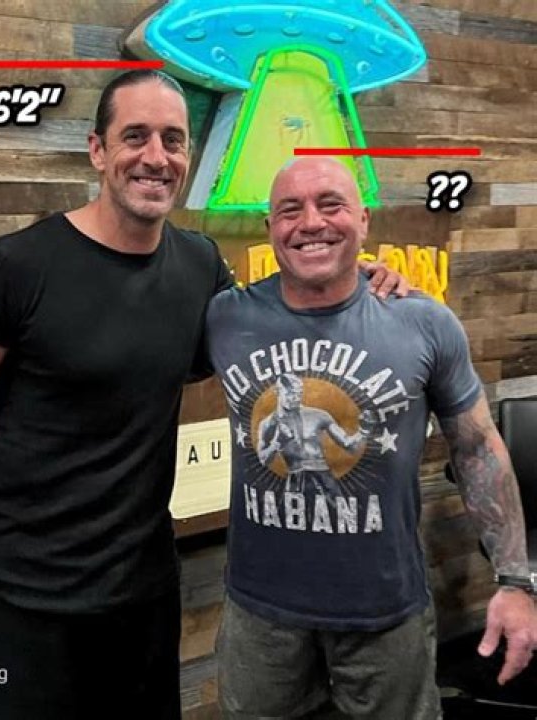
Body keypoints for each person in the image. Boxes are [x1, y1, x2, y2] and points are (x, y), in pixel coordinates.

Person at [0, 71, 405, 720]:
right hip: (25, 596)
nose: (156, 156)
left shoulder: (199, 266)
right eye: (134, 136)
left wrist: (352, 277)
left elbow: (274, 324)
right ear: (97, 150)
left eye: (173, 139)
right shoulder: (15, 266)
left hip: (142, 592)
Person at [206, 157, 537, 720]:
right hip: (259, 614)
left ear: (364, 221)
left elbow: (477, 447)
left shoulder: (423, 322)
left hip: (386, 613)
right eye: (290, 209)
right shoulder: (225, 317)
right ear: (270, 228)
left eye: (331, 204)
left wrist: (514, 581)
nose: (311, 222)